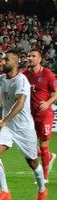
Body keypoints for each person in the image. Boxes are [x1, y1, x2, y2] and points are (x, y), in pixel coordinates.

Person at [0, 49, 48, 200]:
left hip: (23, 127)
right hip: (7, 126)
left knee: (32, 161)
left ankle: (42, 189)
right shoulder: (0, 79)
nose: (2, 62)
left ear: (15, 63)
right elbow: (0, 94)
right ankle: (5, 192)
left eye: (6, 60)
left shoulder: (22, 81)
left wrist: (3, 121)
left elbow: (20, 103)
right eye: (2, 59)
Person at [23, 47, 57, 180]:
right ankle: (49, 156)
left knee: (43, 145)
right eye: (29, 56)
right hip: (29, 115)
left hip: (44, 115)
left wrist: (48, 103)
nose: (30, 58)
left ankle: (44, 177)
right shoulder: (25, 75)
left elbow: (56, 92)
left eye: (33, 56)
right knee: (27, 145)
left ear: (40, 59)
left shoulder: (48, 74)